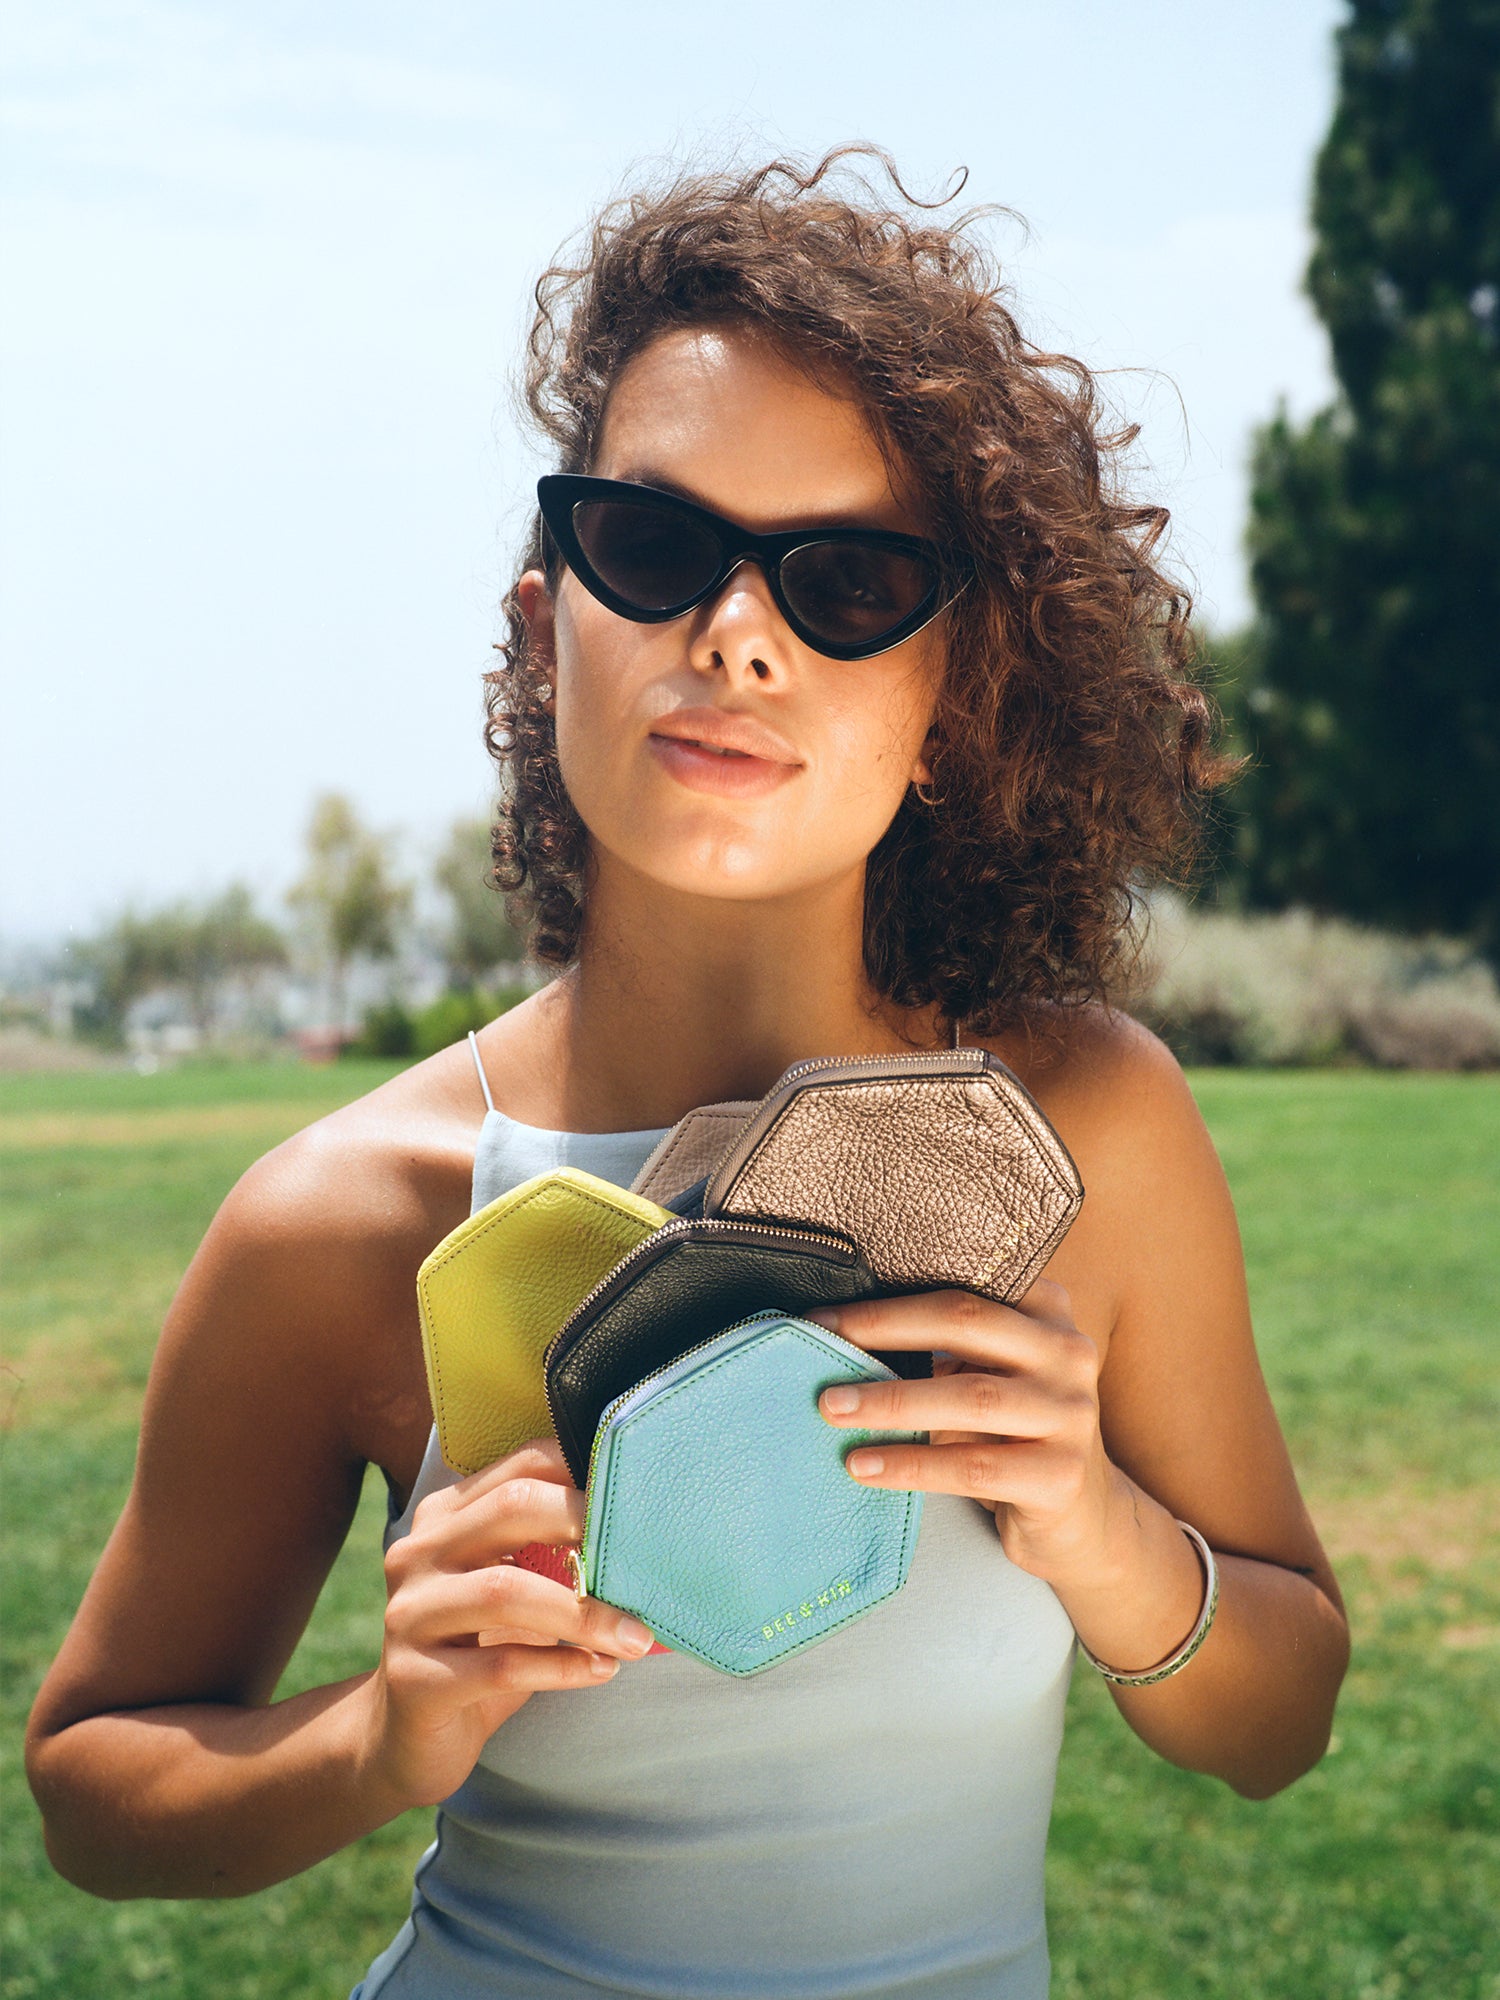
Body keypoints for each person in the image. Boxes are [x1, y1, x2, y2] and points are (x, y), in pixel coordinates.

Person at [25, 151, 1350, 1999]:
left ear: (955, 695)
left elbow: (1279, 1721)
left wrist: (1106, 1538)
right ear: (541, 618)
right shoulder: (348, 1215)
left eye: (849, 581)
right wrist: (382, 1734)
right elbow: (92, 1790)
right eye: (654, 548)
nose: (736, 631)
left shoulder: (1088, 1131)